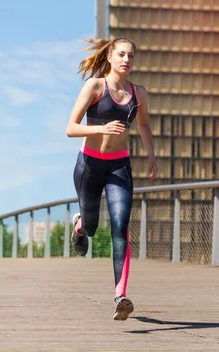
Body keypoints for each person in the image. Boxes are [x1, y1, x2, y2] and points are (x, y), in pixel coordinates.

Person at [65, 37, 158, 321]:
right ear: (109, 57)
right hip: (90, 166)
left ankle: (121, 296)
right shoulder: (95, 86)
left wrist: (151, 157)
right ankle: (80, 226)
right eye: (121, 54)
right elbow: (70, 128)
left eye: (131, 55)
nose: (126, 60)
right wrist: (102, 128)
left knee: (121, 226)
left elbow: (143, 125)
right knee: (92, 227)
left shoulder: (139, 93)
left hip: (119, 167)